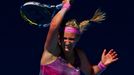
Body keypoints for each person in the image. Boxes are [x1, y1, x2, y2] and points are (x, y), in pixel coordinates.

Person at [39, 0, 118, 75]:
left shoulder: (79, 56)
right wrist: (65, 7)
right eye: (64, 38)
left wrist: (102, 65)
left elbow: (91, 72)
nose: (67, 42)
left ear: (77, 39)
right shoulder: (52, 51)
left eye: (71, 39)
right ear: (59, 38)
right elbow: (53, 26)